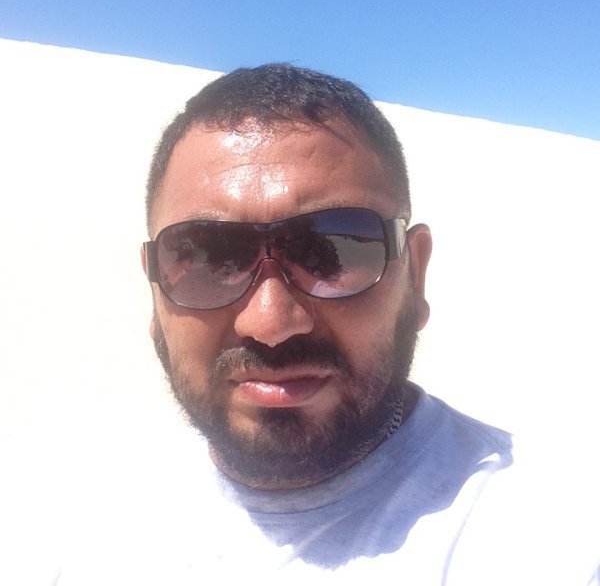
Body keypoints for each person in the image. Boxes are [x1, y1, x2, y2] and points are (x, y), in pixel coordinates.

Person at [133, 62, 597, 585]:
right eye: (209, 255)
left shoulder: (561, 534)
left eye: (331, 249)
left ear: (415, 275)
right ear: (154, 289)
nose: (271, 322)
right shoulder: (90, 525)